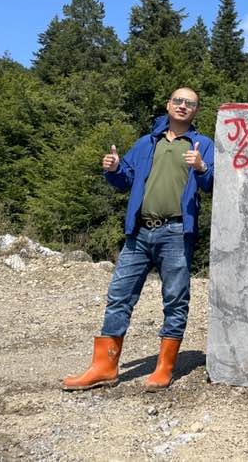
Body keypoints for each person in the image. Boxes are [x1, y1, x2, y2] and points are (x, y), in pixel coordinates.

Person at [62, 87, 214, 391]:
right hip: (139, 232)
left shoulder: (204, 144)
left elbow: (213, 184)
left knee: (175, 299)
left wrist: (202, 167)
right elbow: (125, 180)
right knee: (119, 296)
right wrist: (114, 169)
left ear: (196, 110)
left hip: (176, 232)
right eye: (178, 101)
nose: (183, 106)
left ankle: (164, 368)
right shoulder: (147, 142)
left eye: (190, 103)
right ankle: (104, 367)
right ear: (168, 105)